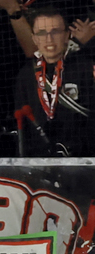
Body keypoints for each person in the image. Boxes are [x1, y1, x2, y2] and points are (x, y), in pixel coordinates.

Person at [14, 9, 95, 156]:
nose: (49, 39)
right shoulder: (26, 74)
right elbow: (22, 125)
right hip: (40, 161)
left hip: (83, 160)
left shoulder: (87, 67)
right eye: (41, 33)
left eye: (55, 31)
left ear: (67, 35)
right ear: (34, 39)